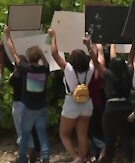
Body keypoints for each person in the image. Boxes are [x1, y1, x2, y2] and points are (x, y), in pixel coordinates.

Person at [84, 38, 134, 163]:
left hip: (111, 110)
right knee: (127, 138)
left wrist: (89, 47)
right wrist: (133, 42)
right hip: (127, 108)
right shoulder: (128, 73)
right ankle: (130, 160)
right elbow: (131, 57)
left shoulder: (108, 75)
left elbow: (95, 62)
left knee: (110, 141)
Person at [4, 26, 50, 163]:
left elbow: (13, 53)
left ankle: (22, 158)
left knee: (24, 134)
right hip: (42, 107)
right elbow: (46, 62)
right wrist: (41, 53)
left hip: (29, 108)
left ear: (28, 58)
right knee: (42, 133)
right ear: (39, 58)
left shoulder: (25, 69)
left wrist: (7, 36)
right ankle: (46, 156)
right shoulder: (44, 70)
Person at [49, 29, 95, 162]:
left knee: (64, 134)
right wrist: (88, 45)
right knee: (82, 134)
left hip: (72, 102)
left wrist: (53, 36)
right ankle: (83, 158)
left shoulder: (69, 69)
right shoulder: (90, 69)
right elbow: (95, 57)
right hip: (87, 103)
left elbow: (54, 54)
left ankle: (76, 158)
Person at [87, 43, 106, 162]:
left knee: (90, 130)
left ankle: (95, 153)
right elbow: (100, 60)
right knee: (98, 128)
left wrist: (91, 47)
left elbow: (94, 60)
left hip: (87, 104)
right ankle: (99, 151)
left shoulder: (86, 70)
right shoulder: (97, 72)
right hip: (98, 102)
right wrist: (99, 49)